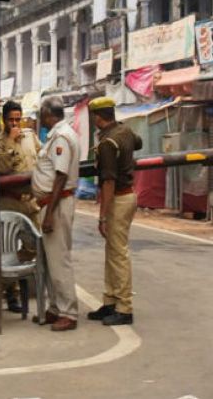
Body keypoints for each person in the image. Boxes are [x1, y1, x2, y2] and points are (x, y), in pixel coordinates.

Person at [85, 96, 142, 327]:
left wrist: (102, 216)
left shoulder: (108, 143)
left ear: (97, 117)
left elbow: (108, 182)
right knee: (112, 251)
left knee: (118, 254)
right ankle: (110, 300)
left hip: (118, 198)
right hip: (128, 195)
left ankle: (124, 307)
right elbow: (137, 144)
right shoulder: (125, 132)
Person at [31, 96, 80, 332]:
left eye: (41, 114)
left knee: (59, 260)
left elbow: (60, 176)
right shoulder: (58, 135)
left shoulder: (61, 136)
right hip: (50, 203)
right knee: (50, 261)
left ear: (49, 115)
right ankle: (55, 307)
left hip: (56, 204)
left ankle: (68, 312)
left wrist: (49, 213)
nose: (40, 118)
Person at [0, 100, 41, 313]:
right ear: (4, 120)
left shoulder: (31, 137)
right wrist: (11, 142)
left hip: (29, 200)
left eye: (17, 119)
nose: (15, 123)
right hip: (9, 201)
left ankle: (1, 282)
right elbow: (2, 167)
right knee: (7, 248)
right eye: (10, 119)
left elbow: (41, 160)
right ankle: (10, 294)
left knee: (34, 245)